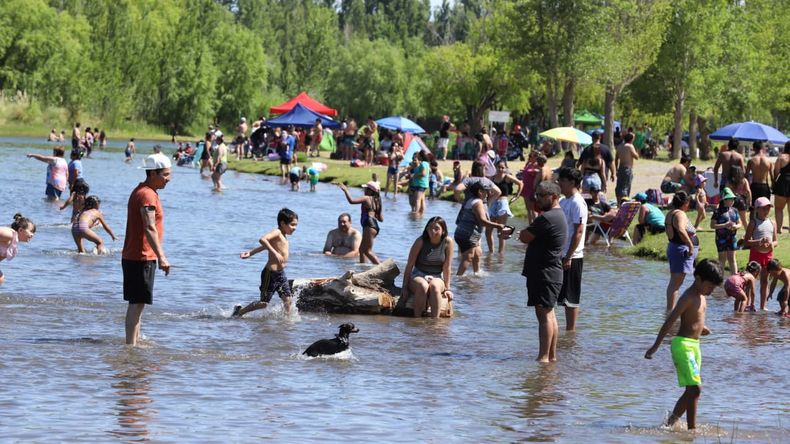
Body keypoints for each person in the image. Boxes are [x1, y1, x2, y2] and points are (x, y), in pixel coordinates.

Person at [645, 259, 724, 431]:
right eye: (709, 286)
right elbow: (669, 322)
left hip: (695, 346)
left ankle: (669, 425)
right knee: (696, 388)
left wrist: (702, 328)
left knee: (691, 390)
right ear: (698, 278)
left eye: (714, 288)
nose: (711, 291)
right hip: (682, 346)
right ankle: (692, 431)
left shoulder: (702, 297)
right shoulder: (688, 297)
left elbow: (694, 319)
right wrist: (655, 347)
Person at [122, 153, 172, 346]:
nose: (168, 179)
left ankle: (135, 342)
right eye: (165, 175)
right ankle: (130, 347)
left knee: (139, 303)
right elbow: (149, 227)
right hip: (140, 256)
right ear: (152, 173)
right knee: (136, 304)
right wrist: (162, 257)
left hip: (139, 255)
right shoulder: (147, 195)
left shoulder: (145, 191)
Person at [519, 181, 567, 362]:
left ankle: (543, 358)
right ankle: (551, 357)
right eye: (536, 194)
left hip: (544, 273)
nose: (536, 198)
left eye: (541, 195)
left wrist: (525, 230)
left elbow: (525, 237)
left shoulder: (546, 218)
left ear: (553, 197)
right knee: (550, 314)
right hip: (551, 273)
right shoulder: (557, 215)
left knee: (544, 315)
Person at [233, 208, 298, 317]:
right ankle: (239, 312)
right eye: (292, 225)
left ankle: (287, 324)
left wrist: (251, 252)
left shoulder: (283, 236)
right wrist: (275, 253)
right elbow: (263, 239)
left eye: (296, 225)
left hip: (280, 274)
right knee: (263, 303)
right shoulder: (277, 232)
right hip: (270, 274)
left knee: (288, 300)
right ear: (282, 223)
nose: (295, 228)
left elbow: (264, 246)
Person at [401, 216, 455, 317]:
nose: (432, 231)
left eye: (436, 228)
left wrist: (448, 289)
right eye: (429, 228)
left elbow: (447, 267)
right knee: (423, 285)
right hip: (418, 275)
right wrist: (404, 287)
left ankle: (435, 322)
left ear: (443, 231)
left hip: (437, 276)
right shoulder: (420, 241)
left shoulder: (448, 242)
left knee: (434, 286)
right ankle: (416, 320)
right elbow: (410, 265)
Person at [455, 181, 511, 276]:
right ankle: (458, 279)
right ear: (480, 192)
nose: (489, 194)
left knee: (477, 253)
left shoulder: (471, 200)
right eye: (487, 191)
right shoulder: (477, 203)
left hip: (467, 233)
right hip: (468, 234)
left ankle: (477, 274)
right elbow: (482, 221)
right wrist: (499, 226)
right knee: (468, 257)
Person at [557, 167, 587, 332]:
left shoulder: (577, 202)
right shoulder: (563, 201)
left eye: (562, 180)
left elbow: (579, 231)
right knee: (562, 296)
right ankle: (567, 332)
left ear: (572, 182)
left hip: (572, 255)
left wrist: (569, 256)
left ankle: (571, 331)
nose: (559, 183)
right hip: (561, 253)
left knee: (571, 297)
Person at [665, 191, 699, 312]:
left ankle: (670, 310)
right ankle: (671, 311)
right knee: (676, 283)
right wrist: (690, 245)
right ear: (685, 203)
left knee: (674, 283)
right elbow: (680, 229)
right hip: (681, 250)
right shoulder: (680, 214)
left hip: (675, 248)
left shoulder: (670, 213)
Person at [743, 197, 778, 311]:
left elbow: (776, 241)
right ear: (757, 209)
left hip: (768, 255)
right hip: (755, 254)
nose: (766, 211)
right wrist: (759, 241)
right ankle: (747, 304)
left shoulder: (772, 223)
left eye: (768, 208)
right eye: (763, 208)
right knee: (750, 280)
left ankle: (763, 306)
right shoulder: (753, 223)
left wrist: (772, 244)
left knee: (764, 281)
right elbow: (746, 241)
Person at [339, 182, 383, 264]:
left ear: (371, 191)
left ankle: (382, 268)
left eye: (366, 188)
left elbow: (351, 201)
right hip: (374, 226)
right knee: (362, 250)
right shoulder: (377, 201)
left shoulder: (366, 198)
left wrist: (346, 190)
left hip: (369, 225)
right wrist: (372, 211)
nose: (364, 190)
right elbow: (381, 219)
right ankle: (363, 269)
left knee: (367, 251)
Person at [486, 160, 522, 254]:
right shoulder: (492, 178)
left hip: (503, 203)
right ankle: (491, 252)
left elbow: (520, 183)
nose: (501, 169)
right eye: (499, 167)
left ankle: (500, 253)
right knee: (488, 230)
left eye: (503, 167)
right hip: (492, 204)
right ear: (496, 167)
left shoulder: (507, 177)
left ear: (506, 168)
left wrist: (516, 196)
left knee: (501, 231)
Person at [710, 188, 741, 275]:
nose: (732, 201)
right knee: (722, 259)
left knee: (732, 258)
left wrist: (735, 227)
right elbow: (712, 225)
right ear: (724, 200)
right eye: (730, 199)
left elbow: (740, 224)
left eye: (733, 199)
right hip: (721, 238)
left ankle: (735, 278)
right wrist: (725, 225)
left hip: (732, 238)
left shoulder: (735, 211)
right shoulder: (717, 211)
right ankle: (720, 278)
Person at [0, 214, 36, 285]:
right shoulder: (9, 234)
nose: (32, 235)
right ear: (20, 230)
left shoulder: (13, 241)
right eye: (31, 231)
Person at [745, 140, 774, 213]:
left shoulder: (751, 160)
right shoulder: (769, 161)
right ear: (762, 148)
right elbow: (772, 176)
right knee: (765, 208)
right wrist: (773, 186)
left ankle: (753, 222)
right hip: (765, 186)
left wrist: (746, 186)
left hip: (755, 185)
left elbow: (746, 175)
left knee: (753, 208)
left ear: (754, 148)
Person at [615, 132, 639, 202]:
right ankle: (624, 204)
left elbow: (616, 159)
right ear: (631, 139)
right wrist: (637, 150)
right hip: (627, 169)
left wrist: (616, 169)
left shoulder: (619, 146)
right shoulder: (630, 146)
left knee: (619, 186)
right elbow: (636, 157)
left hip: (620, 168)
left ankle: (618, 203)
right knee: (626, 187)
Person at [772, 141, 790, 234]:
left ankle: (779, 229)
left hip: (782, 183)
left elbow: (776, 172)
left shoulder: (781, 157)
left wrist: (774, 182)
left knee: (779, 208)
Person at [520, 150, 541, 223]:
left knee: (533, 209)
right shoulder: (528, 164)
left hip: (532, 189)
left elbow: (540, 172)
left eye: (532, 156)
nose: (530, 157)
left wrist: (535, 171)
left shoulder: (537, 165)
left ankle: (535, 226)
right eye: (529, 156)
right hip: (525, 188)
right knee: (528, 209)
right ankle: (530, 225)